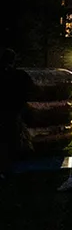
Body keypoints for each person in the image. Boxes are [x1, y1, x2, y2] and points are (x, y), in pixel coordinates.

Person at [0, 49, 31, 182]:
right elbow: (29, 90)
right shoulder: (20, 75)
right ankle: (8, 168)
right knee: (11, 139)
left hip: (7, 111)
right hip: (14, 111)